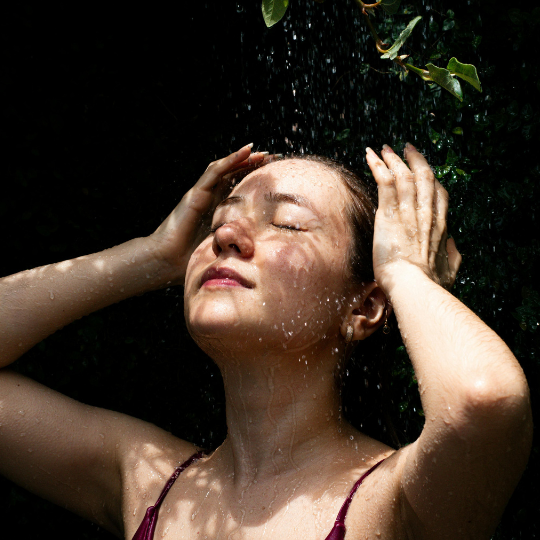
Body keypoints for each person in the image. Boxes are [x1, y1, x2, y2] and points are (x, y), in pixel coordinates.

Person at [0, 142, 532, 539]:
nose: (226, 235)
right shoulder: (147, 481)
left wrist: (404, 274)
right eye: (219, 222)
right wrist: (151, 256)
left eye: (288, 223)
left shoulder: (397, 504)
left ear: (363, 306)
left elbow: (482, 400)